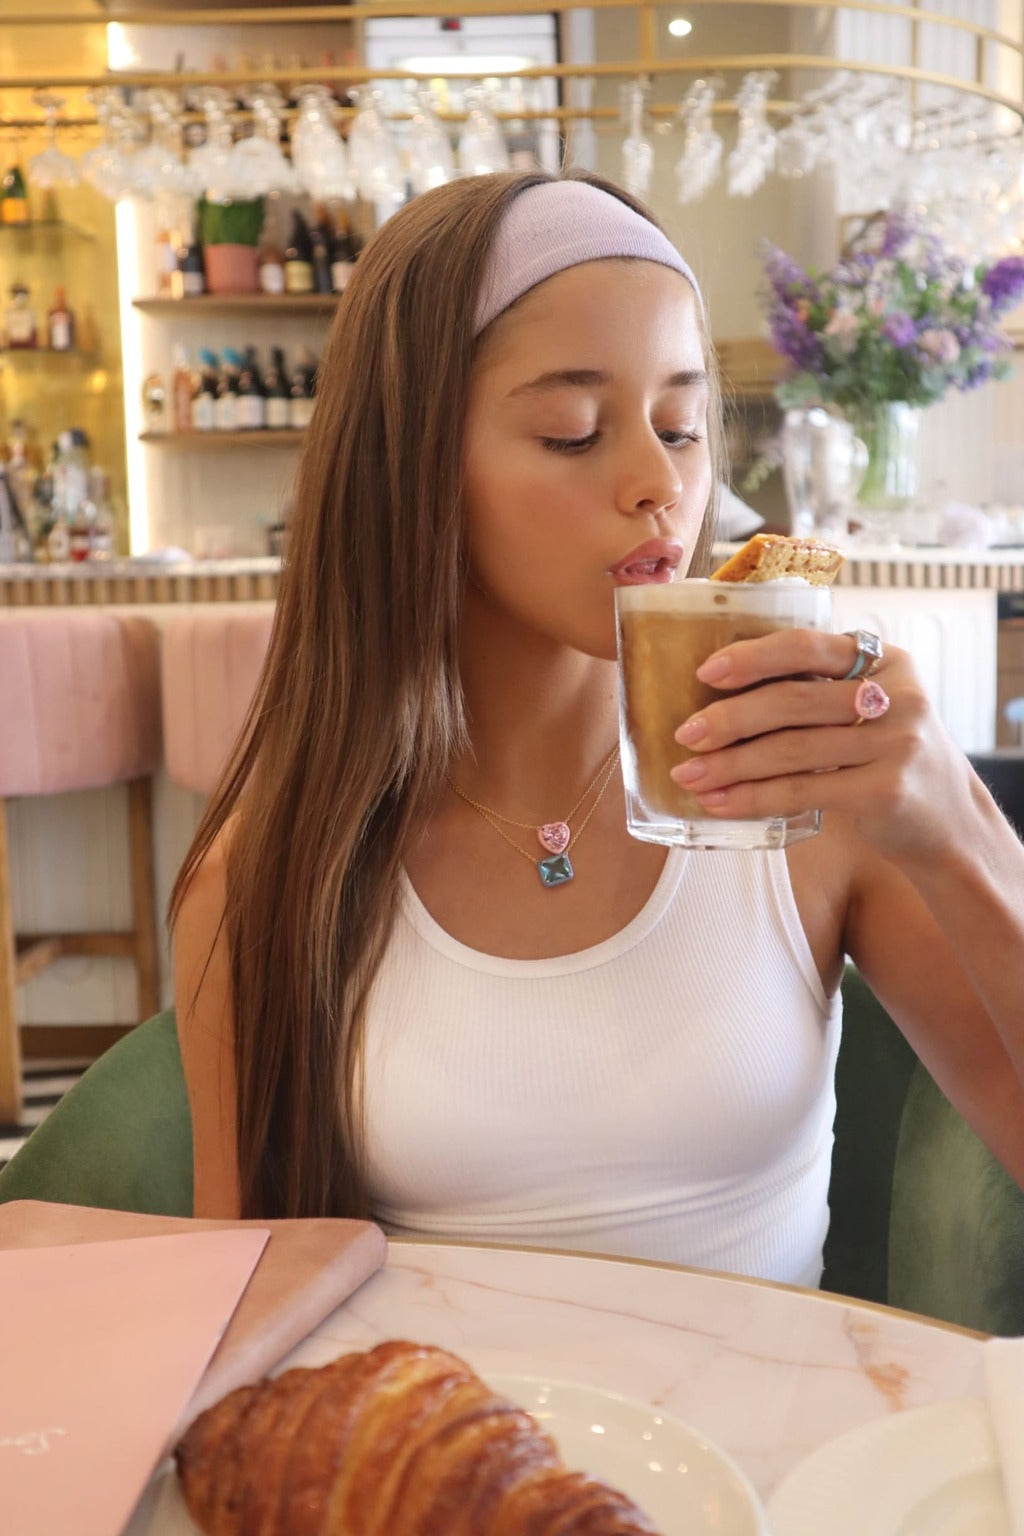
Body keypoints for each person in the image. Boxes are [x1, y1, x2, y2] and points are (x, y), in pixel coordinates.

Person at [172, 169, 1024, 1287]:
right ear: (412, 468)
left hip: (776, 1456)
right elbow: (237, 1309)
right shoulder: (271, 874)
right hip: (440, 1455)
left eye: (679, 425)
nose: (656, 483)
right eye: (574, 433)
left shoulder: (801, 791)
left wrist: (955, 822)